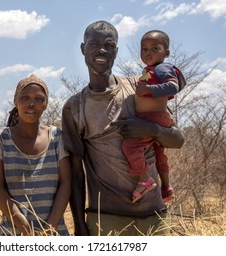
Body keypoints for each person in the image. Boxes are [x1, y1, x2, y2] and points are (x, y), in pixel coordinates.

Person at [61, 20, 184, 236]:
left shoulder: (139, 88)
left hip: (154, 215)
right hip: (107, 218)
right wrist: (79, 224)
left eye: (109, 45)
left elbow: (177, 140)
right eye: (94, 44)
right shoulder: (75, 106)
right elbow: (75, 172)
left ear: (116, 51)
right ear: (83, 49)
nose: (101, 50)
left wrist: (151, 129)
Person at [0, 74, 71, 236]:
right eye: (25, 98)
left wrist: (48, 229)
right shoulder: (0, 138)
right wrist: (26, 228)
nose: (31, 103)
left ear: (45, 104)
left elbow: (66, 184)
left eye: (39, 99)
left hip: (54, 233)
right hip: (14, 233)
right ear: (15, 101)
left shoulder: (57, 137)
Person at [122, 30, 186, 204]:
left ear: (166, 52)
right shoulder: (150, 70)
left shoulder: (163, 68)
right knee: (158, 153)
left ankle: (145, 179)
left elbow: (173, 87)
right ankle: (166, 188)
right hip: (155, 117)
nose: (148, 53)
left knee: (130, 146)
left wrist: (149, 90)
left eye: (154, 48)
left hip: (153, 118)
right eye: (144, 49)